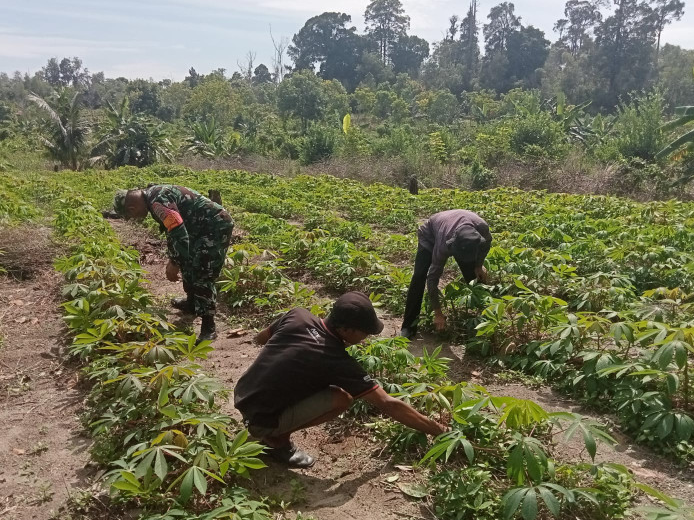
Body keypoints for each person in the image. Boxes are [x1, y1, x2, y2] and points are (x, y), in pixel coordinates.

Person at [234, 292, 447, 468]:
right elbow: (388, 404)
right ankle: (275, 438)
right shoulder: (336, 359)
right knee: (341, 398)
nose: (366, 338)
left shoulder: (297, 315)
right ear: (346, 330)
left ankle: (266, 423)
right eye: (364, 333)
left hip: (244, 392)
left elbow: (261, 338)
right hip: (262, 419)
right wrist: (438, 429)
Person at [106, 184, 233, 342]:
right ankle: (192, 303)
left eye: (132, 216)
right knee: (187, 261)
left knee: (202, 271)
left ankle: (209, 326)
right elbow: (173, 233)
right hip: (197, 227)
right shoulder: (152, 196)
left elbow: (179, 232)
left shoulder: (158, 202)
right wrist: (177, 258)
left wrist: (174, 262)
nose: (135, 219)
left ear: (131, 208)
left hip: (214, 226)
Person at [400, 209, 492, 339]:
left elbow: (487, 244)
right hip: (430, 234)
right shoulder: (443, 245)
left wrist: (478, 265)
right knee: (419, 276)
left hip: (458, 226)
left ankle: (485, 318)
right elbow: (432, 279)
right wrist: (438, 313)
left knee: (474, 276)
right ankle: (408, 326)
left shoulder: (482, 228)